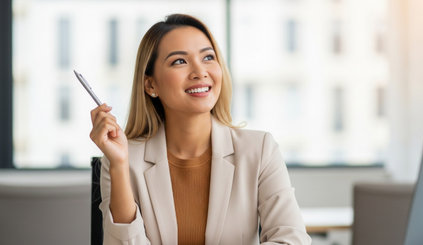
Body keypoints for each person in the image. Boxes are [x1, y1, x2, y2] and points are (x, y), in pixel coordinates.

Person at [90, 13, 312, 245]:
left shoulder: (259, 149)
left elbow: (292, 239)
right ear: (150, 84)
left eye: (208, 57)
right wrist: (118, 164)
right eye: (179, 61)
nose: (200, 72)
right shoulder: (123, 161)